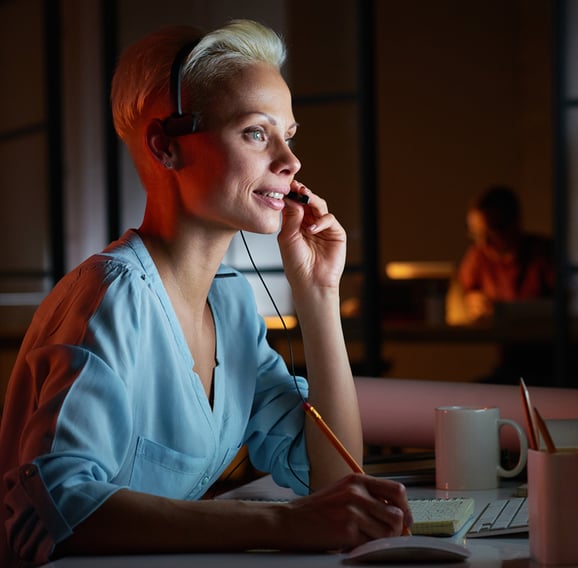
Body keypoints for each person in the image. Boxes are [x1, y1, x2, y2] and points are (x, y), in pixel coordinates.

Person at [0, 20, 411, 566]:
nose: (290, 163)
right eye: (256, 133)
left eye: (289, 135)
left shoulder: (232, 302)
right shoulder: (112, 297)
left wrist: (318, 294)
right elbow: (56, 504)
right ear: (165, 146)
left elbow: (331, 474)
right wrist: (283, 523)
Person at [455, 185, 556, 323]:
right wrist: (472, 300)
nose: (483, 243)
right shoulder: (478, 257)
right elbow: (462, 294)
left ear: (515, 223)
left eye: (492, 233)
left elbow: (568, 305)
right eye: (477, 234)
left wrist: (508, 311)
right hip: (497, 341)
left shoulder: (544, 254)